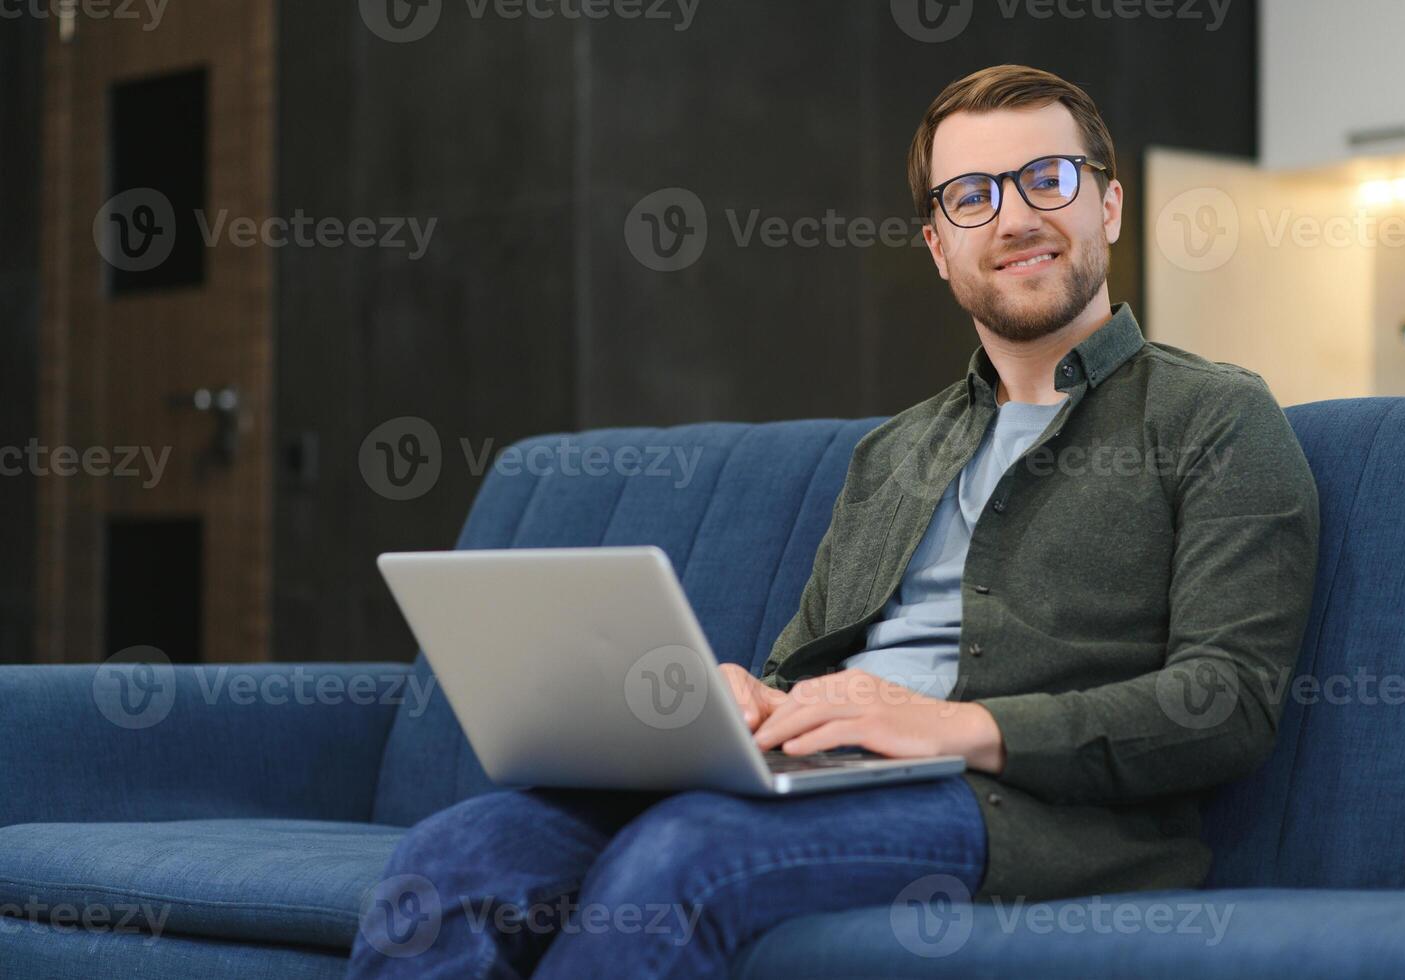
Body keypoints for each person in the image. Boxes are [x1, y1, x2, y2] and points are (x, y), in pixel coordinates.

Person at [348, 63, 1320, 979]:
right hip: (818, 772)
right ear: (941, 246)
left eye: (1048, 178)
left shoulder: (1216, 416)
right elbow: (807, 662)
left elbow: (1225, 701)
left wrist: (954, 725)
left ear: (1108, 202)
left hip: (1015, 807)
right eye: (972, 195)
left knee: (685, 856)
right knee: (457, 854)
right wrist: (748, 700)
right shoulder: (893, 449)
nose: (1015, 215)